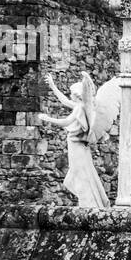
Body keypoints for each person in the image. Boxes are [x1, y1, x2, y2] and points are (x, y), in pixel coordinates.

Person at [41, 71, 110, 208]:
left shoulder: (80, 108)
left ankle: (88, 203)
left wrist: (48, 119)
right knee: (82, 172)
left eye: (71, 93)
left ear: (77, 95)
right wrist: (53, 86)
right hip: (76, 146)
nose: (70, 95)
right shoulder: (80, 106)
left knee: (81, 173)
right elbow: (64, 101)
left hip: (77, 146)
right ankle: (89, 202)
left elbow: (66, 122)